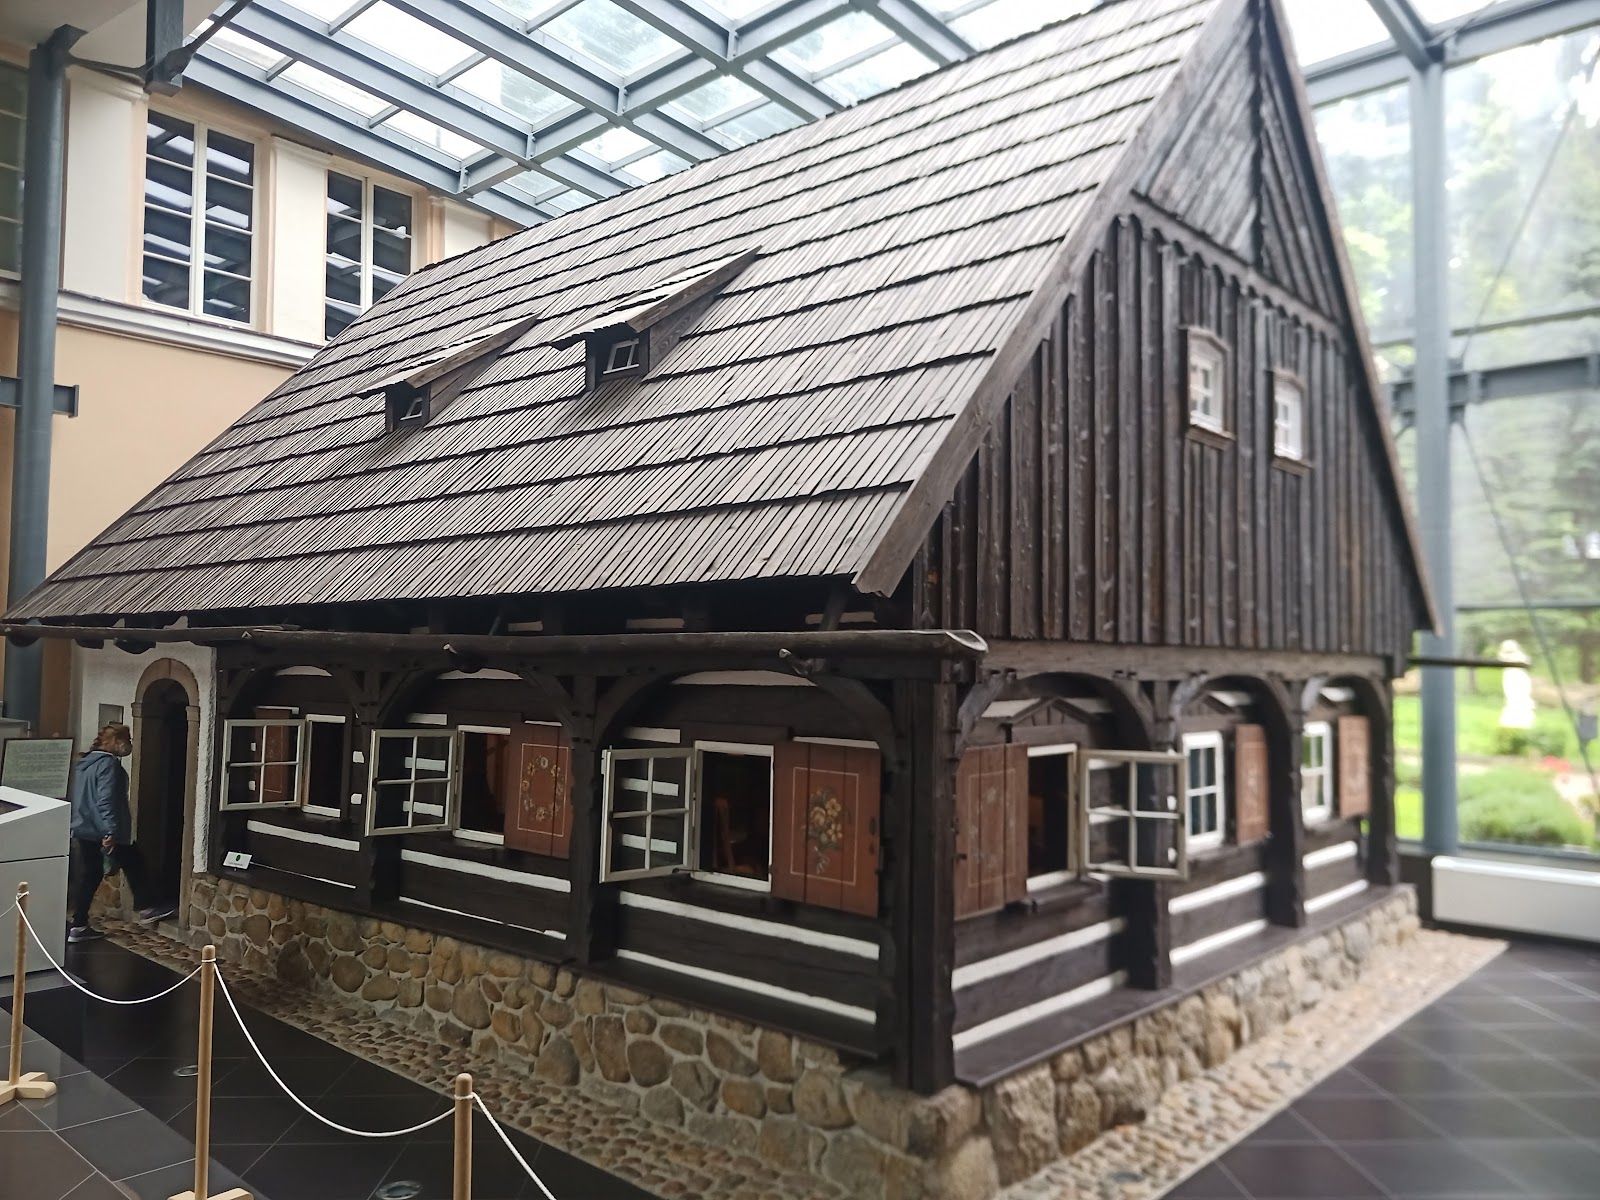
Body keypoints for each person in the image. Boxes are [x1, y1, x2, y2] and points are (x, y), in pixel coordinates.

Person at [67, 722, 176, 942]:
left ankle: (78, 925)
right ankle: (146, 907)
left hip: (83, 826)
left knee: (91, 875)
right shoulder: (108, 765)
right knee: (134, 862)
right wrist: (110, 831)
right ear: (117, 742)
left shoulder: (85, 764)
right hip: (103, 829)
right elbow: (106, 799)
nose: (130, 746)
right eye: (128, 741)